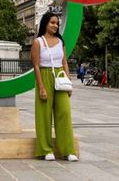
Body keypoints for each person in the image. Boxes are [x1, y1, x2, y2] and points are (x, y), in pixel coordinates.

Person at [31, 11, 77, 162]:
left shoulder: (60, 42)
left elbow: (64, 63)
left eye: (57, 23)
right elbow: (36, 66)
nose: (55, 26)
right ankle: (45, 150)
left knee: (64, 112)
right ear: (45, 23)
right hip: (44, 75)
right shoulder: (38, 42)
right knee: (44, 114)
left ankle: (68, 150)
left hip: (59, 77)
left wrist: (68, 82)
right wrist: (41, 87)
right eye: (52, 22)